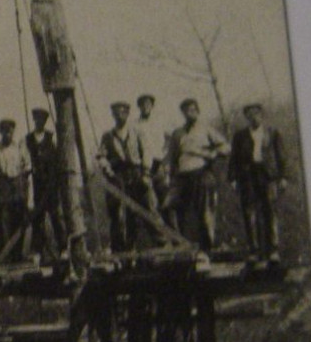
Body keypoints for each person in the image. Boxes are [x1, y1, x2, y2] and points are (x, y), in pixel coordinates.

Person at [162, 98, 230, 253]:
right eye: (186, 110)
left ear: (197, 111)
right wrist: (170, 176)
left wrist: (212, 153)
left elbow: (225, 147)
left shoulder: (206, 129)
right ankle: (185, 246)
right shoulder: (178, 133)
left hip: (201, 172)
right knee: (172, 207)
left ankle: (206, 249)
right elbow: (172, 157)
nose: (189, 113)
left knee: (204, 211)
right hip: (182, 176)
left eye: (192, 110)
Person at [228, 102, 287, 261]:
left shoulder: (272, 133)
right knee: (249, 212)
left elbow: (281, 156)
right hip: (248, 176)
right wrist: (233, 178)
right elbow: (233, 158)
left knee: (270, 211)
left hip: (267, 175)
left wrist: (283, 177)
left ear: (261, 115)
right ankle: (254, 251)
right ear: (246, 117)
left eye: (256, 113)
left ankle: (273, 250)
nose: (254, 117)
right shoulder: (240, 136)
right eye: (250, 114)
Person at [96, 101, 146, 251]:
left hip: (134, 173)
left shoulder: (136, 132)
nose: (120, 115)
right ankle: (118, 251)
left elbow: (145, 153)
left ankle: (133, 248)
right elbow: (101, 156)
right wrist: (107, 168)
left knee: (135, 212)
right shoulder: (107, 135)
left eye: (123, 112)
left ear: (128, 114)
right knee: (115, 212)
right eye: (117, 113)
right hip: (116, 176)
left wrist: (145, 173)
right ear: (113, 115)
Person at [0, 119, 30, 260]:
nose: (8, 134)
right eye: (5, 131)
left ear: (13, 132)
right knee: (3, 228)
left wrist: (23, 178)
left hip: (17, 193)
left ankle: (18, 256)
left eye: (10, 131)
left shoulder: (20, 149)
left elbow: (27, 167)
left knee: (19, 225)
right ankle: (4, 258)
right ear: (0, 132)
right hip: (1, 194)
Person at [24, 107, 65, 257]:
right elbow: (26, 161)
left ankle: (63, 248)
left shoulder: (51, 137)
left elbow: (59, 158)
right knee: (37, 218)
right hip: (36, 184)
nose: (39, 121)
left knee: (56, 216)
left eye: (42, 119)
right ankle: (38, 251)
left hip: (51, 183)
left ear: (45, 121)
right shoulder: (28, 139)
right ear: (34, 120)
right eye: (37, 119)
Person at [133, 93, 167, 222]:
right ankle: (162, 239)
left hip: (160, 167)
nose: (145, 106)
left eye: (148, 104)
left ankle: (177, 239)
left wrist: (166, 158)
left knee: (166, 201)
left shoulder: (160, 122)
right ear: (139, 107)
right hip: (145, 168)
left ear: (152, 105)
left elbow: (171, 139)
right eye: (142, 104)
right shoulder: (135, 125)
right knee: (150, 203)